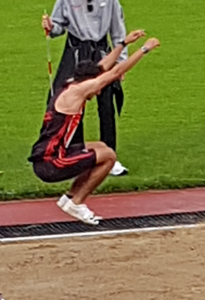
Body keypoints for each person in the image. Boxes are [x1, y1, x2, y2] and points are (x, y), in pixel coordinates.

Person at [28, 30, 160, 225]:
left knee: (101, 148)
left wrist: (123, 43)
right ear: (89, 83)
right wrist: (145, 49)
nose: (99, 91)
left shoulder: (72, 83)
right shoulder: (79, 92)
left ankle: (70, 197)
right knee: (109, 157)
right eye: (97, 86)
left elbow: (102, 68)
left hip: (53, 154)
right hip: (51, 163)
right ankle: (78, 202)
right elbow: (114, 73)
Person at [42, 0, 129, 176]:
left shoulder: (111, 1)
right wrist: (50, 26)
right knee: (71, 101)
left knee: (106, 105)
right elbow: (58, 26)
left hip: (102, 50)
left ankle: (110, 154)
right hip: (75, 51)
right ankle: (75, 154)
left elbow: (118, 30)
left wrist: (121, 62)